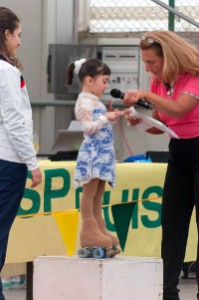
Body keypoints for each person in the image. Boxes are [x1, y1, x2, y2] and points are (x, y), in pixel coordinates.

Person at [123, 30, 199, 300]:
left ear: (170, 58)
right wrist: (141, 122)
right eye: (145, 62)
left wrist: (145, 94)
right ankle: (168, 291)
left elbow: (179, 108)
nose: (148, 68)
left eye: (152, 62)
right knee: (172, 223)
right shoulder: (158, 82)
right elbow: (164, 122)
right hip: (179, 153)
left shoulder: (194, 76)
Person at [0, 7, 42, 299]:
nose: (20, 42)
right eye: (18, 35)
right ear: (5, 34)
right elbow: (15, 121)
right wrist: (32, 163)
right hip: (8, 162)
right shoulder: (6, 72)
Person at [66, 58, 126, 257]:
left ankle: (99, 225)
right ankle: (89, 228)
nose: (107, 86)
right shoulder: (83, 101)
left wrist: (113, 116)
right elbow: (87, 128)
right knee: (90, 192)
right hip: (93, 154)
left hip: (103, 155)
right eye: (104, 81)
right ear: (89, 81)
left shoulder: (94, 101)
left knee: (99, 193)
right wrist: (104, 118)